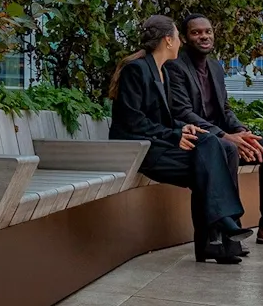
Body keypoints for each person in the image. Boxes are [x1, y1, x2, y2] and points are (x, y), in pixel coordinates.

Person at [108, 14, 252, 264]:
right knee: (206, 165)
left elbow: (162, 119)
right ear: (168, 40)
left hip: (157, 144)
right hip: (138, 150)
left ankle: (217, 237)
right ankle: (221, 230)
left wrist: (185, 129)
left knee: (216, 146)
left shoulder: (160, 71)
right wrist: (175, 134)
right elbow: (133, 121)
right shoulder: (137, 70)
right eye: (177, 36)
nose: (180, 43)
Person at [167, 13, 263, 248]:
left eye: (208, 31)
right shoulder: (175, 68)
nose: (204, 36)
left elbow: (225, 109)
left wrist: (241, 132)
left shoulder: (214, 67)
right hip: (199, 140)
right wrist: (226, 136)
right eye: (196, 32)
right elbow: (183, 113)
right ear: (184, 38)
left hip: (225, 136)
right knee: (228, 150)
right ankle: (231, 231)